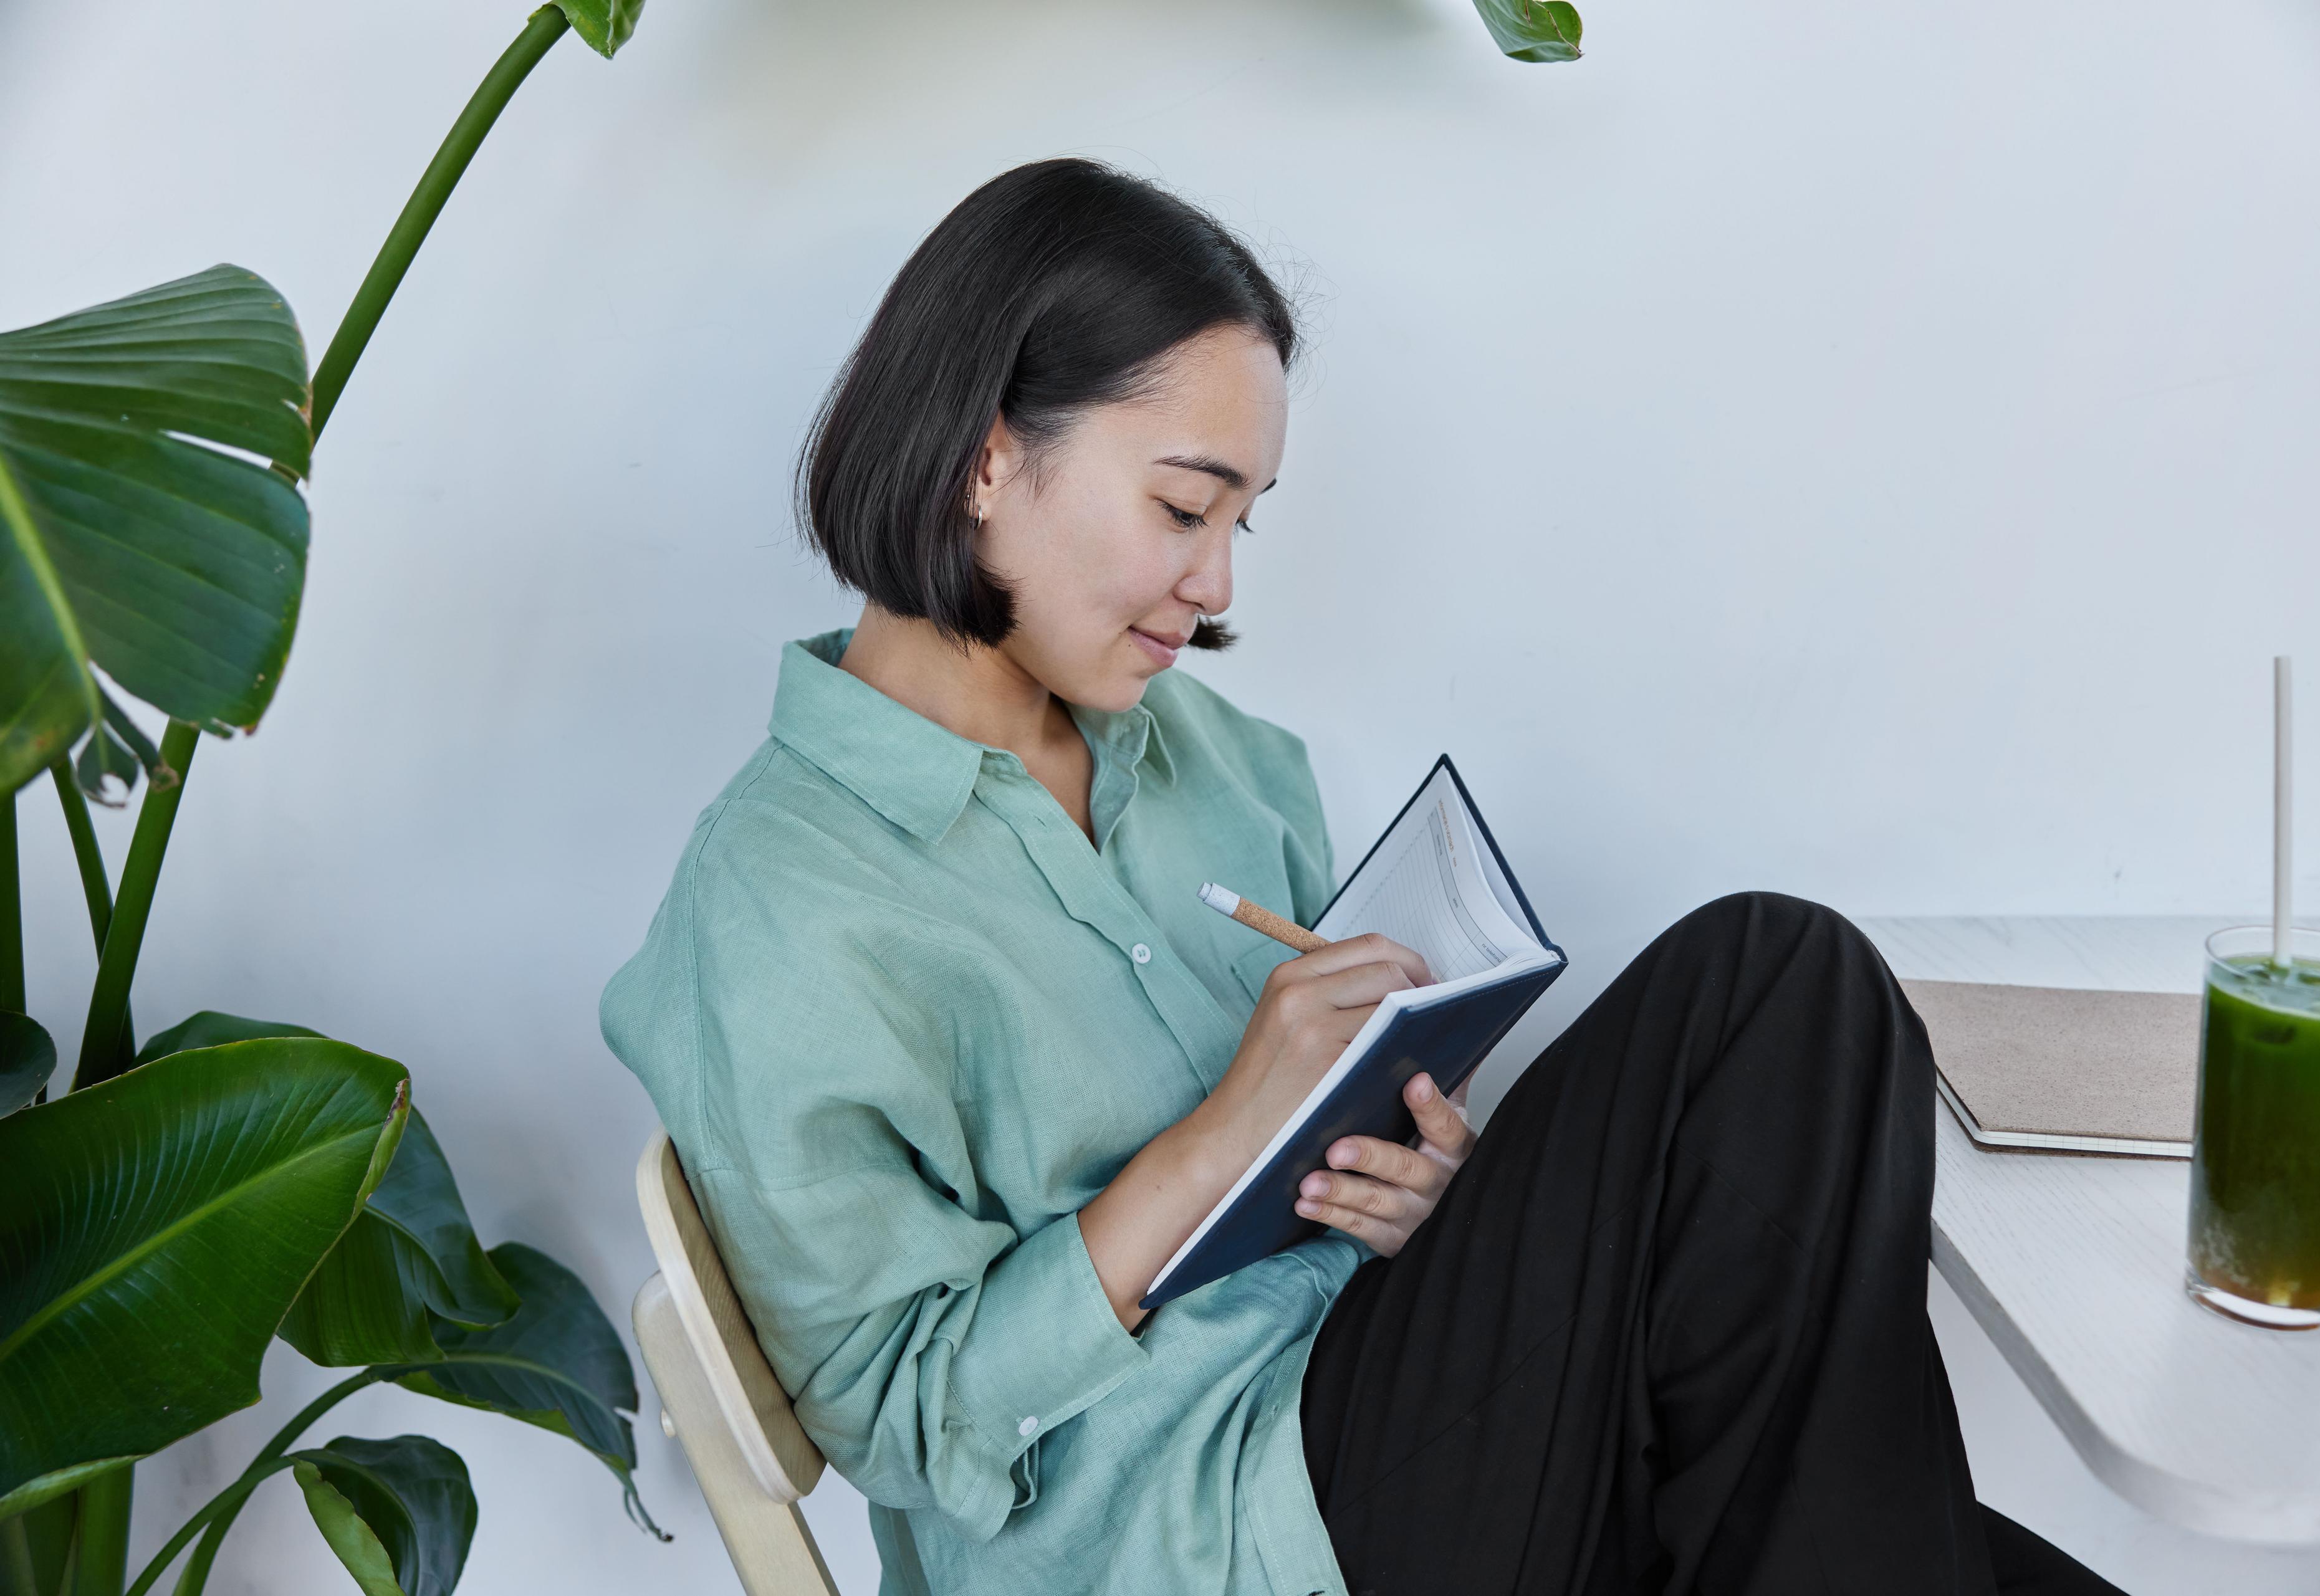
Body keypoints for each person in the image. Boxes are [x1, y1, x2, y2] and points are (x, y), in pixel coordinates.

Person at [602, 158, 2124, 1596]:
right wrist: (1218, 1136)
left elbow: (1335, 1197)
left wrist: (1412, 1189)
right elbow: (907, 1423)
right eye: (1185, 510)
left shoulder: (1223, 768)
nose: (1217, 587)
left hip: (1413, 1430)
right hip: (1201, 1533)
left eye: (1241, 524)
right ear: (989, 454)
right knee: (1772, 980)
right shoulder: (775, 910)